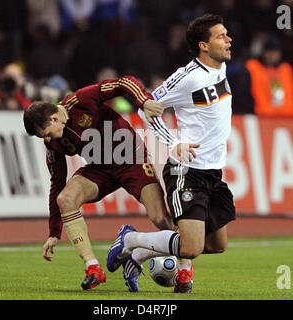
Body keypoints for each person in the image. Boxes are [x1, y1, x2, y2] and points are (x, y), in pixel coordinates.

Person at [107, 13, 236, 293]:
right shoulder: (187, 77)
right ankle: (129, 239)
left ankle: (139, 253)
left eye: (227, 34)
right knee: (191, 247)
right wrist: (172, 142)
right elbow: (148, 106)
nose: (229, 39)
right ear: (204, 45)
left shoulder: (221, 69)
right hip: (186, 171)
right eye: (221, 36)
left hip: (213, 171)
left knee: (217, 246)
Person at [23, 75, 176, 290]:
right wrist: (54, 232)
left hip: (131, 159)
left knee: (160, 217)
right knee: (65, 198)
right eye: (43, 138)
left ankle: (179, 266)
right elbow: (57, 182)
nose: (47, 140)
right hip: (100, 170)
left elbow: (123, 83)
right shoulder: (54, 145)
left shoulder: (81, 100)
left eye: (46, 134)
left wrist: (144, 100)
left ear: (55, 118)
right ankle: (93, 268)